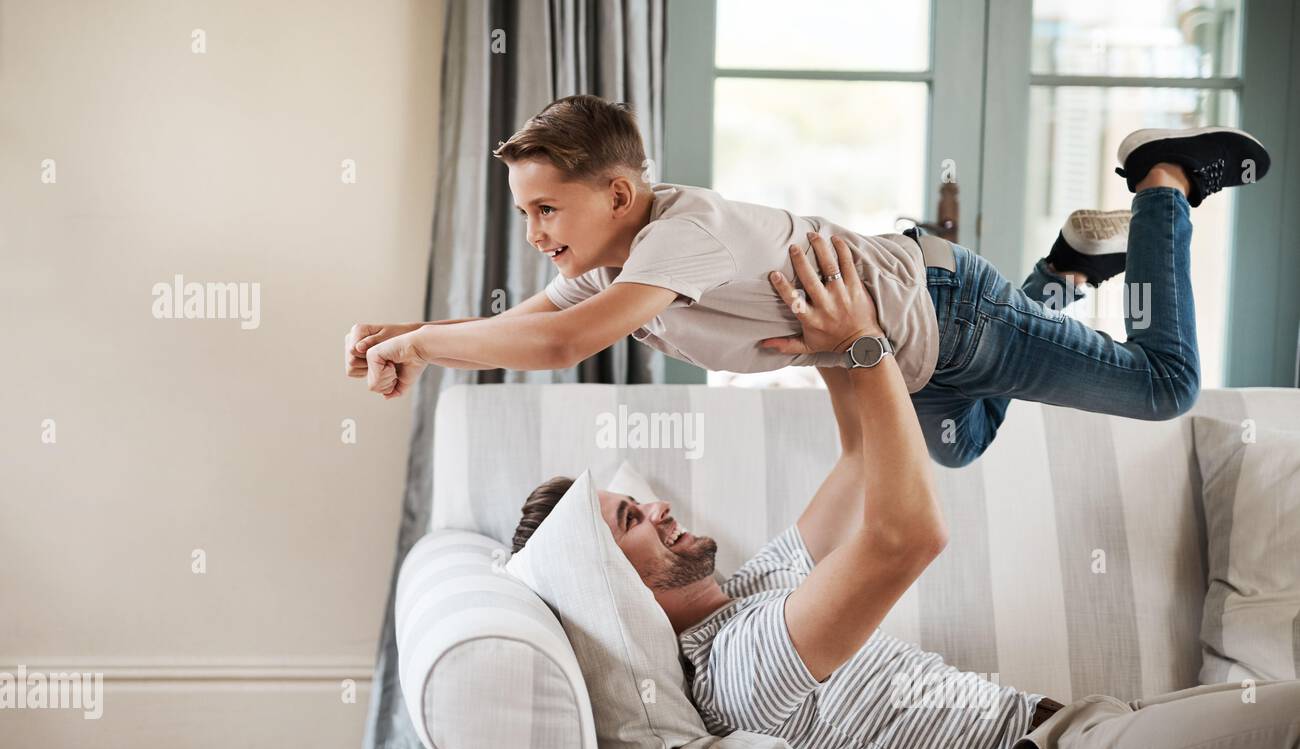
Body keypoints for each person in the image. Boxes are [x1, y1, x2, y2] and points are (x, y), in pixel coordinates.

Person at [508, 231, 1299, 749]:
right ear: (620, 587)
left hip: (1085, 733)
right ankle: (1130, 217)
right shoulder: (739, 668)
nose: (657, 505)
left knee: (951, 412)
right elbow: (910, 535)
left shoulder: (752, 595)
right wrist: (863, 349)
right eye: (631, 520)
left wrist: (822, 339)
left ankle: (1057, 279)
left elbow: (861, 459)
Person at [344, 95, 1271, 468]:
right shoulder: (611, 267)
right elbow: (531, 323)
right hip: (916, 361)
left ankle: (1163, 179)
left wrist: (424, 346)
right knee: (962, 443)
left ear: (619, 192)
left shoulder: (682, 232)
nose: (537, 233)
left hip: (953, 312)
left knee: (1163, 386)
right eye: (524, 214)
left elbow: (554, 344)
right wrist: (413, 333)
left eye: (548, 210)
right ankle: (1068, 268)